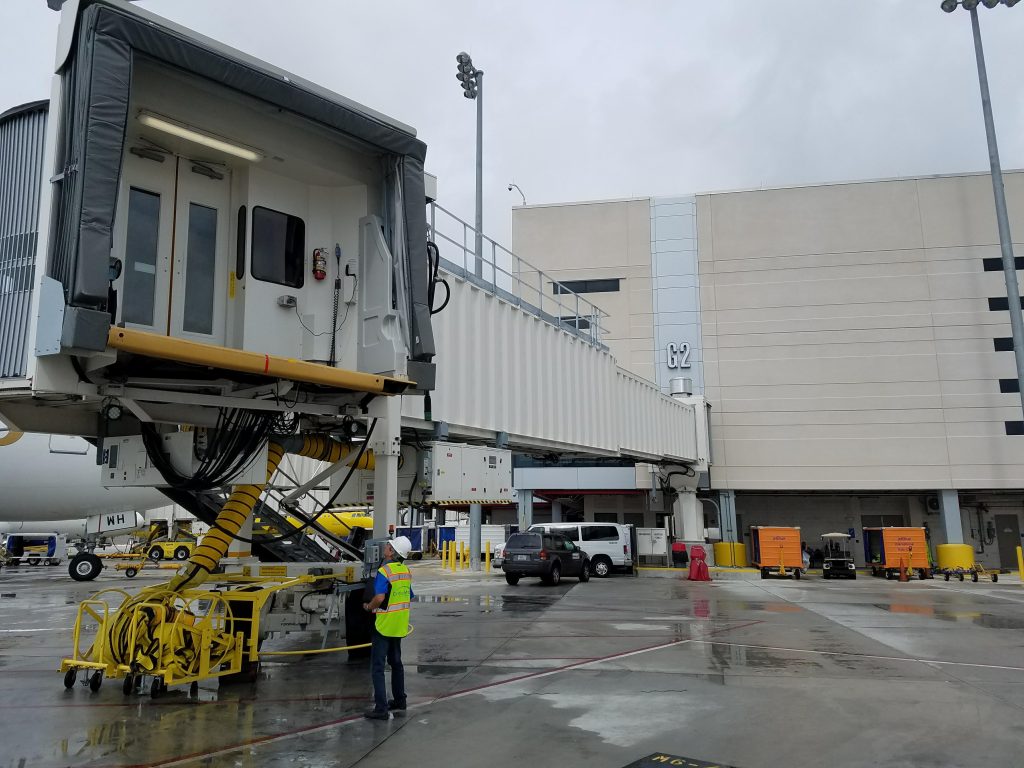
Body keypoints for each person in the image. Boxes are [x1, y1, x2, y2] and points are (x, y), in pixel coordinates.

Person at [363, 536, 414, 720]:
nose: (385, 546)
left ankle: (381, 708)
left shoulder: (385, 571)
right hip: (399, 624)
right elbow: (409, 595)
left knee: (377, 667)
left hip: (384, 625)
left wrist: (369, 606)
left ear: (392, 552)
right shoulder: (406, 571)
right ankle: (400, 700)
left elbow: (380, 598)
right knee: (396, 663)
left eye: (389, 545)